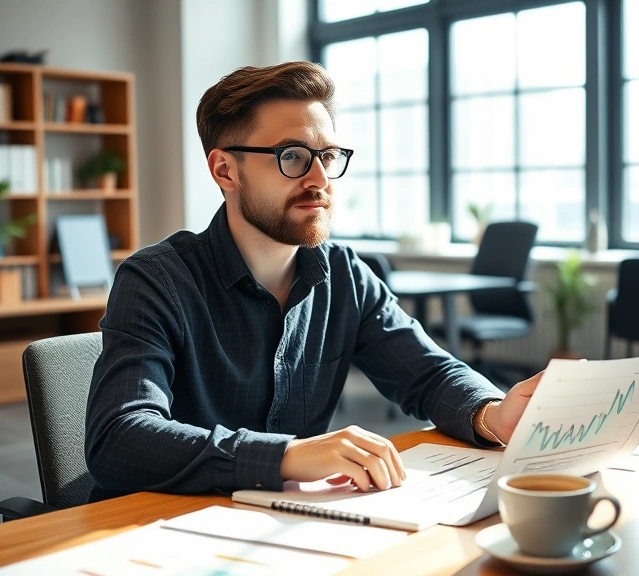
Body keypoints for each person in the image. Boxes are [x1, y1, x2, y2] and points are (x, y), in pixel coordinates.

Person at [84, 61, 542, 499]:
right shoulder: (156, 280)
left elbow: (427, 374)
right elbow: (119, 437)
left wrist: (492, 414)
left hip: (284, 523)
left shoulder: (344, 274)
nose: (320, 178)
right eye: (293, 157)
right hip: (157, 527)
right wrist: (284, 455)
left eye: (328, 155)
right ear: (225, 170)